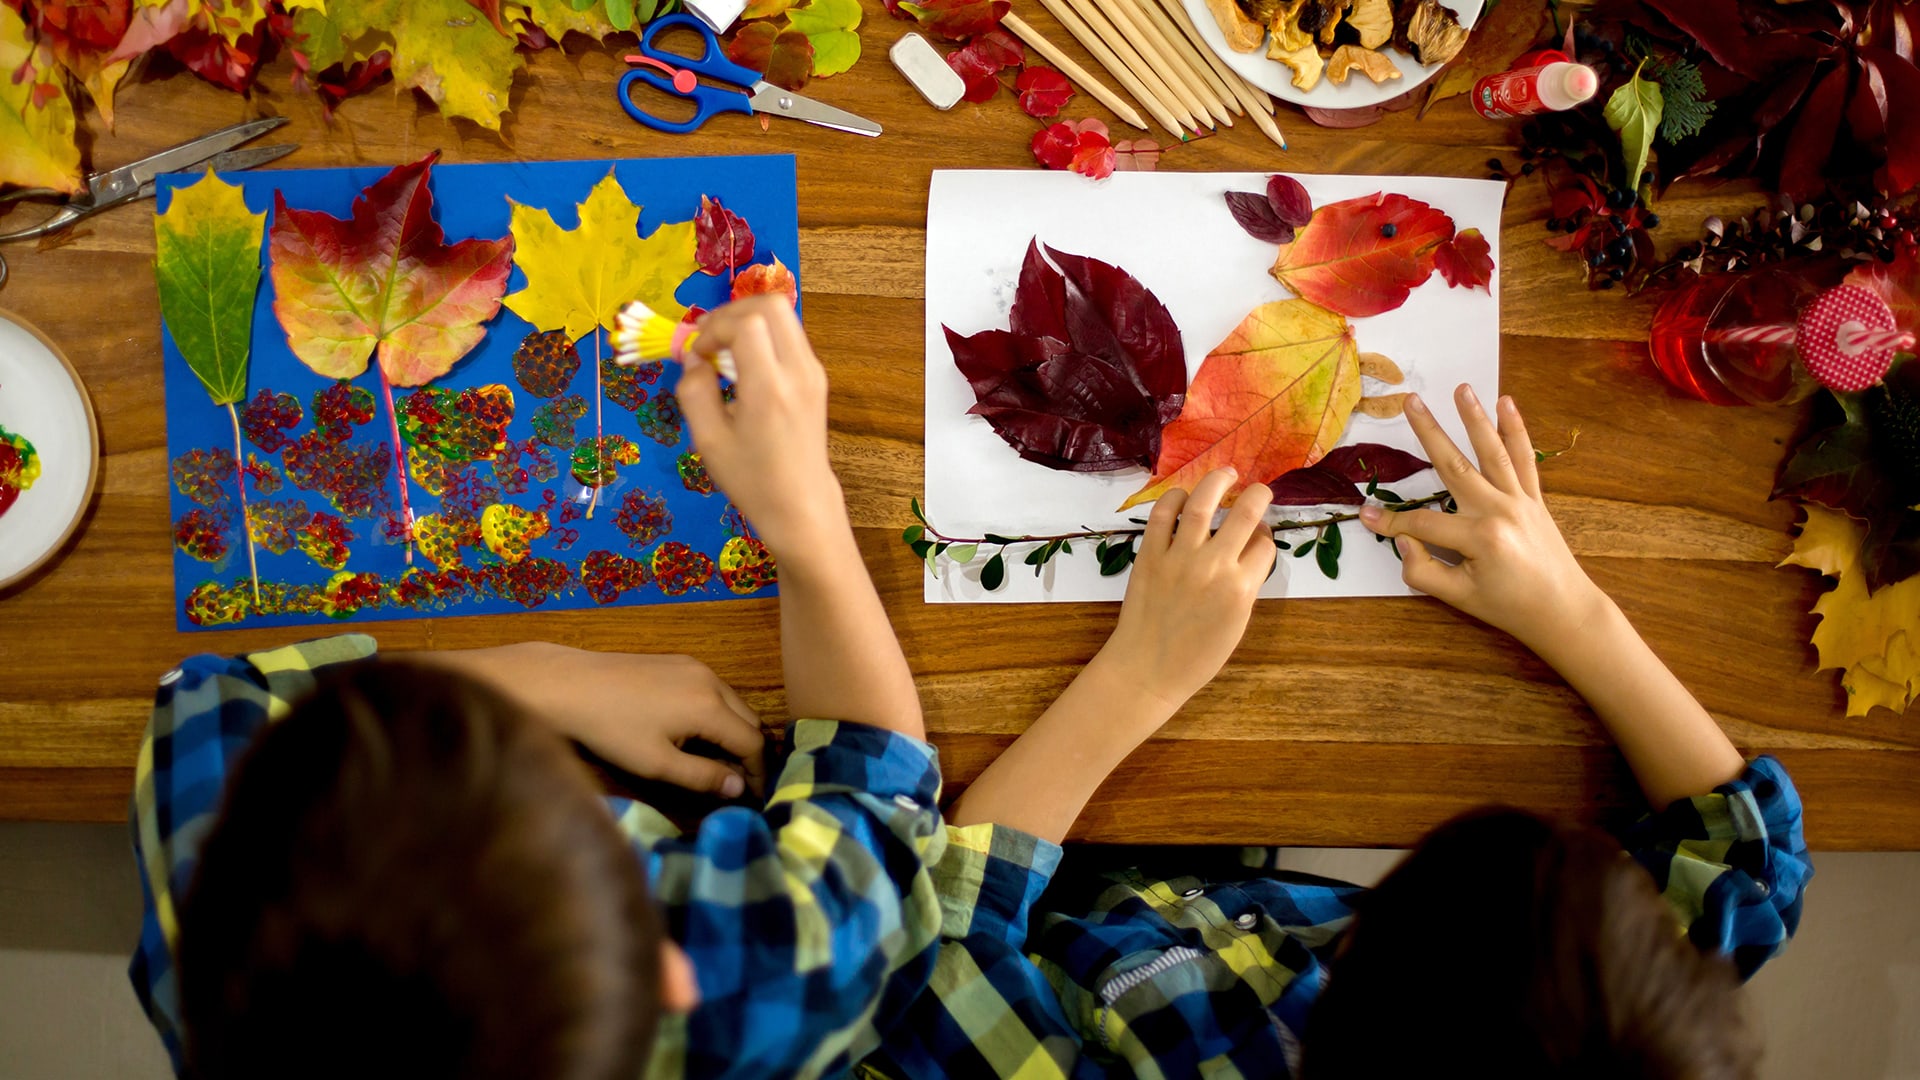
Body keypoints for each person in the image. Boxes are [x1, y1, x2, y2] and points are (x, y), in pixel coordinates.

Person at [863, 386, 1810, 1080]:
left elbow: (933, 948)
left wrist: (1138, 677)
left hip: (1058, 899)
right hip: (1192, 891)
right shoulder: (1616, 1036)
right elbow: (1745, 862)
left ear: (1344, 993)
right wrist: (1573, 611)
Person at [130, 296, 949, 1080]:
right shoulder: (744, 1005)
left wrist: (533, 676)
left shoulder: (223, 945)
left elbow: (207, 704)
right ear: (674, 984)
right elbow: (876, 810)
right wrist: (808, 526)